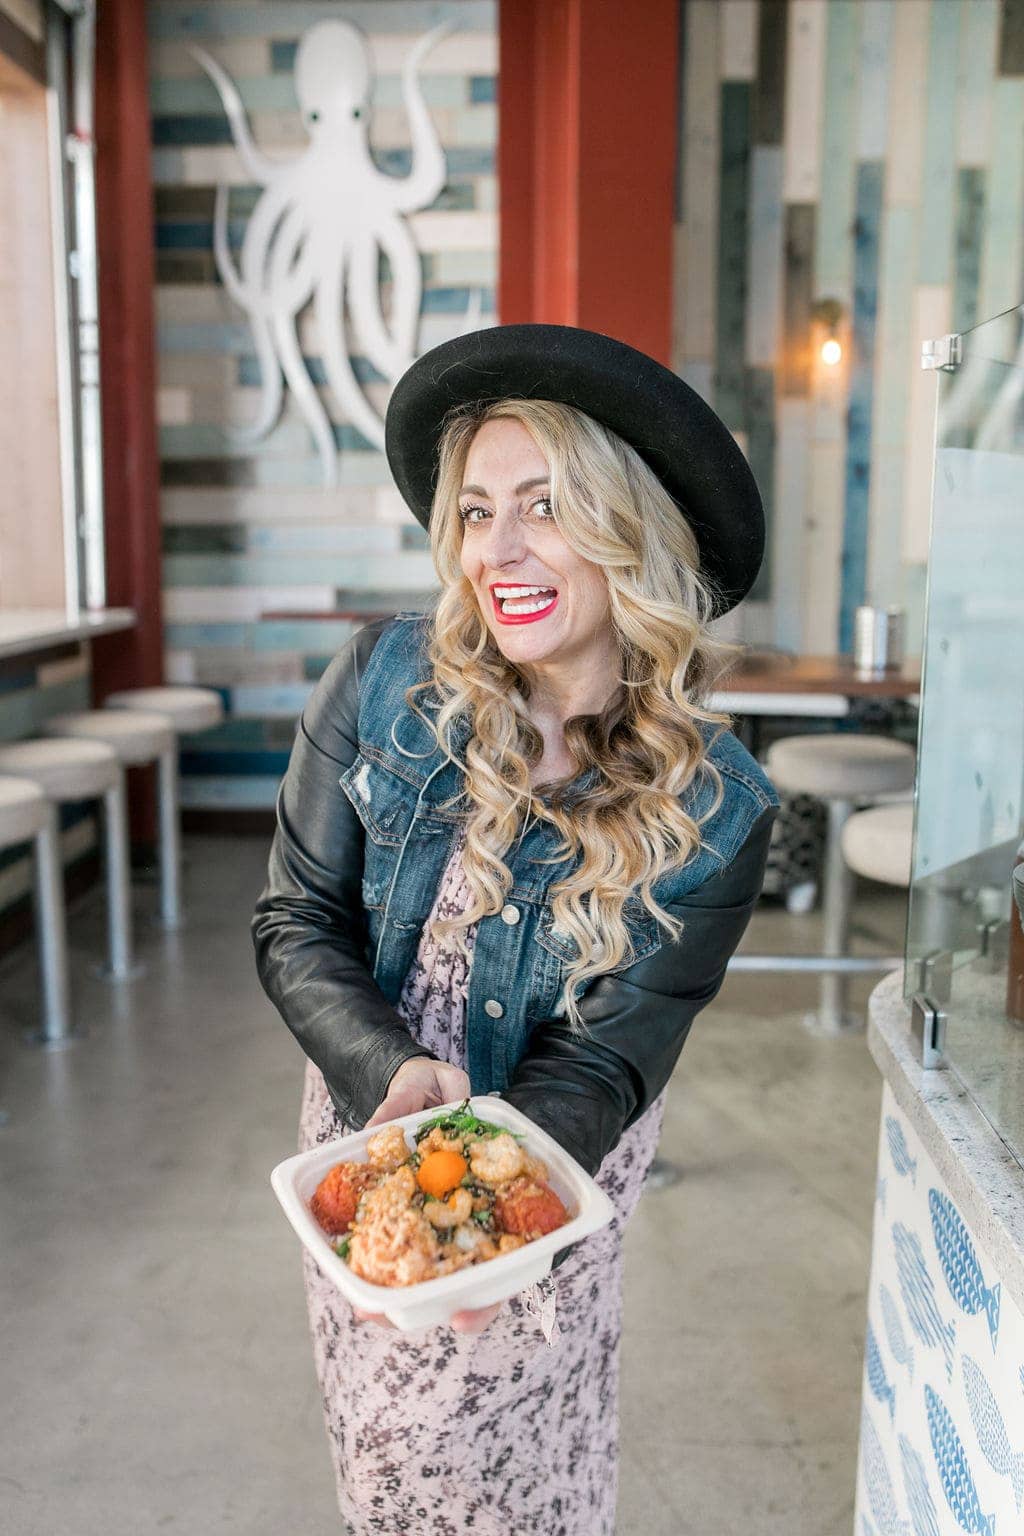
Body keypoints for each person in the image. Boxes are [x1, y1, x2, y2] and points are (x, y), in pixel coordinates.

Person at [252, 324, 779, 1536]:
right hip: (372, 1130)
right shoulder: (382, 680)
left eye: (544, 505)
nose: (501, 549)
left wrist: (490, 1213)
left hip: (559, 1163)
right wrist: (396, 1083)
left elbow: (604, 1057)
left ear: (629, 530)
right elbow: (296, 918)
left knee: (531, 1464)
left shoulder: (716, 808)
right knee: (391, 1460)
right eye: (478, 511)